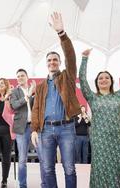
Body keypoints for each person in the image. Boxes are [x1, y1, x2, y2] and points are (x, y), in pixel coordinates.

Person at [31, 12, 81, 188]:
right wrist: (35, 130)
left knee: (69, 168)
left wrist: (61, 33)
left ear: (59, 62)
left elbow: (71, 57)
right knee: (47, 169)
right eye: (49, 60)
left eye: (55, 60)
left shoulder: (67, 77)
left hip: (66, 128)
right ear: (46, 64)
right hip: (46, 131)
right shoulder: (41, 86)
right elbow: (36, 109)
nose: (52, 62)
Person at [79, 48, 120, 188]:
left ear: (111, 81)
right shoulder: (92, 97)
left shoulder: (119, 95)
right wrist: (84, 59)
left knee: (119, 167)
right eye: (100, 78)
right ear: (97, 82)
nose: (104, 79)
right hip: (100, 141)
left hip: (118, 139)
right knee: (102, 168)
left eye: (107, 77)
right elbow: (82, 80)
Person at [10, 69, 36, 188]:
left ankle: (46, 184)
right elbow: (14, 105)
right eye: (18, 76)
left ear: (27, 77)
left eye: (22, 75)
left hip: (36, 127)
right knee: (22, 159)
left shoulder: (35, 89)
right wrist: (28, 95)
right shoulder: (14, 91)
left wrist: (33, 93)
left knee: (44, 156)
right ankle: (22, 185)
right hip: (22, 128)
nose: (20, 78)